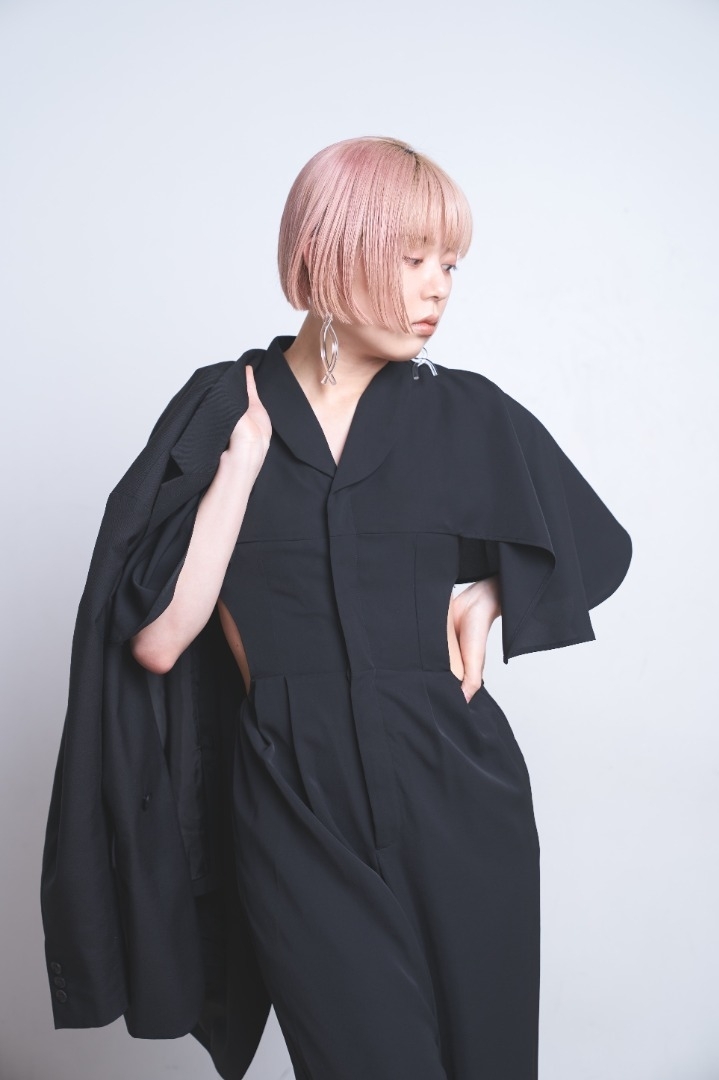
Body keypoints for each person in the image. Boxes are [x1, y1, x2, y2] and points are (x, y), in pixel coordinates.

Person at [41, 136, 632, 1080]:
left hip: (455, 785)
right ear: (324, 253)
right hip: (292, 799)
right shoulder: (224, 405)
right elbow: (157, 639)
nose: (437, 288)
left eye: (450, 265)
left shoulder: (462, 412)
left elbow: (599, 547)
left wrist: (486, 602)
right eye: (413, 258)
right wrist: (238, 470)